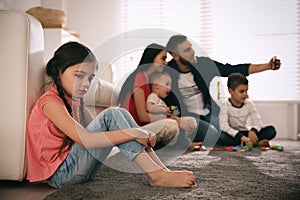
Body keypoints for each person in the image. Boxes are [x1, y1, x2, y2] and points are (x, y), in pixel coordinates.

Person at [26, 42, 197, 189]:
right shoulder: (50, 103)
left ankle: (161, 171)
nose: (86, 84)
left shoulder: (75, 102)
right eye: (79, 76)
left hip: (76, 168)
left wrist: (138, 134)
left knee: (119, 112)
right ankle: (156, 175)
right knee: (112, 114)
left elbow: (101, 133)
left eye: (90, 78)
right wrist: (135, 133)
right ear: (58, 72)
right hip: (62, 175)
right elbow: (87, 140)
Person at [163, 34, 281, 147]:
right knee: (214, 135)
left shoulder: (203, 64)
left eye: (191, 48)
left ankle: (246, 138)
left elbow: (231, 69)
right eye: (187, 50)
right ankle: (249, 140)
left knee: (227, 130)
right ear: (175, 55)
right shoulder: (168, 72)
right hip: (190, 118)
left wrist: (268, 66)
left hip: (210, 113)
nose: (193, 52)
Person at [118, 43, 198, 149]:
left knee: (191, 122)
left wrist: (171, 117)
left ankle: (173, 143)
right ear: (152, 57)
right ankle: (178, 144)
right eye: (163, 58)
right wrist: (173, 120)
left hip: (145, 127)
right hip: (134, 129)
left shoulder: (150, 79)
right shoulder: (140, 77)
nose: (165, 63)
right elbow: (143, 117)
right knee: (172, 125)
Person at [218, 73, 277, 147]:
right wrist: (240, 137)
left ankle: (247, 143)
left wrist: (253, 131)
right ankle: (255, 143)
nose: (246, 94)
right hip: (234, 135)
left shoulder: (249, 104)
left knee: (271, 130)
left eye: (246, 91)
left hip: (246, 132)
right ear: (231, 91)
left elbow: (258, 123)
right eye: (241, 91)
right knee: (220, 136)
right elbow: (224, 126)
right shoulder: (225, 105)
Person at [146, 71, 197, 144]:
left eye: (170, 85)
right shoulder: (153, 96)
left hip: (167, 120)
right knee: (178, 126)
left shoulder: (161, 100)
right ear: (156, 85)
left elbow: (173, 110)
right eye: (167, 84)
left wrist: (174, 113)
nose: (169, 88)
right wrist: (164, 109)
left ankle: (183, 140)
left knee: (190, 122)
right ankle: (185, 143)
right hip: (161, 123)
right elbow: (149, 107)